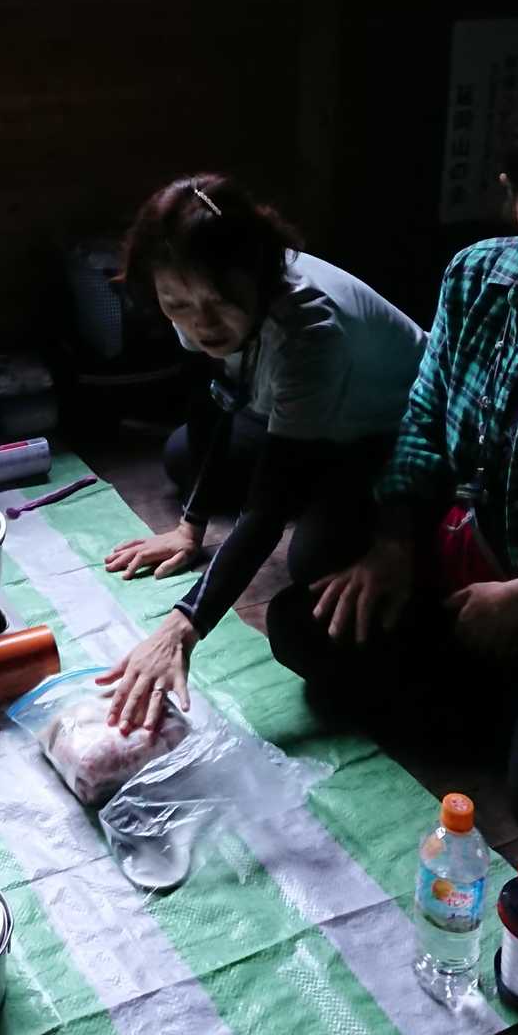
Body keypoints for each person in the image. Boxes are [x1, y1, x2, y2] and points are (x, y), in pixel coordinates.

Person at [265, 87, 518, 954]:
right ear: (513, 197)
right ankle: (507, 701)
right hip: (477, 563)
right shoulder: (477, 277)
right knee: (305, 616)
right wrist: (396, 542)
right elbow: (428, 415)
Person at [97, 172, 427, 731]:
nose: (201, 323)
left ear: (259, 275)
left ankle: (337, 498)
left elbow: (268, 509)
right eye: (177, 304)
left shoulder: (309, 330)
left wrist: (183, 625)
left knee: (312, 560)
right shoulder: (192, 290)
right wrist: (189, 529)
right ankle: (310, 487)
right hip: (301, 413)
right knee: (183, 456)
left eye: (219, 303)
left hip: (385, 430)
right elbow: (215, 395)